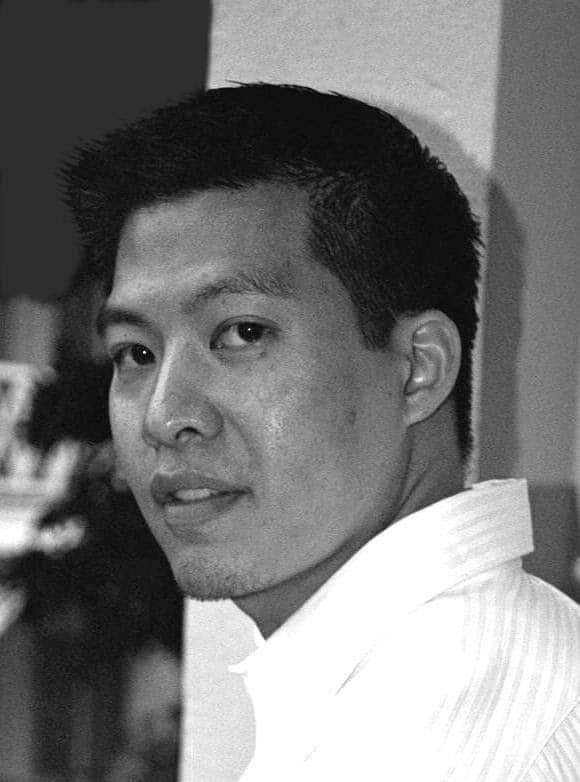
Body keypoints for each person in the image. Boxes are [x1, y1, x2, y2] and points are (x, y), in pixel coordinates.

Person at [63, 83, 580, 781]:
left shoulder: (424, 742)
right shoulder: (466, 668)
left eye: (242, 333)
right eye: (135, 353)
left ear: (417, 369)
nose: (163, 415)